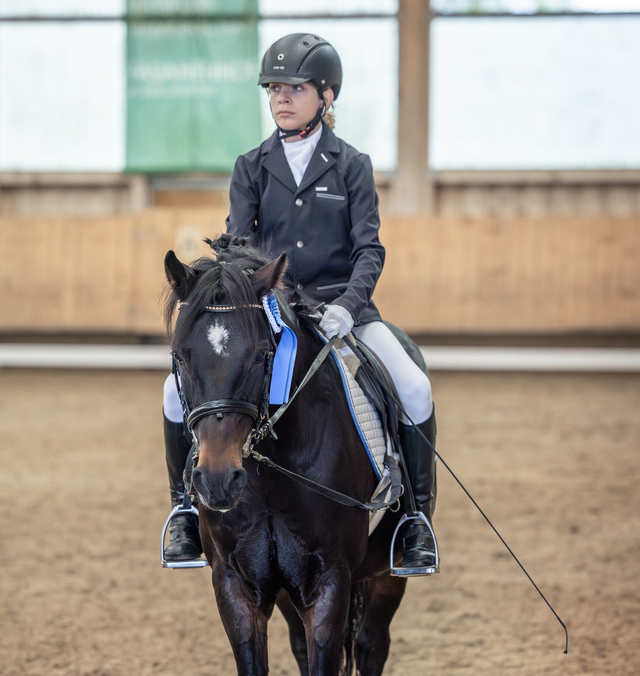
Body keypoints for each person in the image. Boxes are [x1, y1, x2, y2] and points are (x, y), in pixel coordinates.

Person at [162, 32, 438, 574]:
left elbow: (369, 250)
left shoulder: (351, 165)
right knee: (176, 391)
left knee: (415, 387)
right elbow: (238, 246)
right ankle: (184, 511)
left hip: (344, 311)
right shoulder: (252, 165)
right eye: (273, 89)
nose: (280, 98)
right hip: (270, 310)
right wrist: (257, 293)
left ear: (326, 95)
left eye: (294, 88)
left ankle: (414, 518)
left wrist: (349, 306)